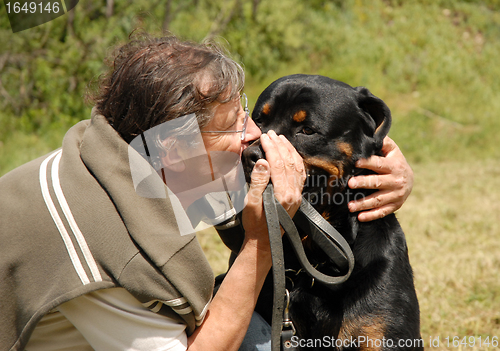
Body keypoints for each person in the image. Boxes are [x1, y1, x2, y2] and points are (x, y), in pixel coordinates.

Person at [0, 33, 413, 351]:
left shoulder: (129, 156)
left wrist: (383, 162)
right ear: (176, 144)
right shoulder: (99, 246)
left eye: (245, 110)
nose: (256, 138)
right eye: (238, 121)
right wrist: (259, 244)